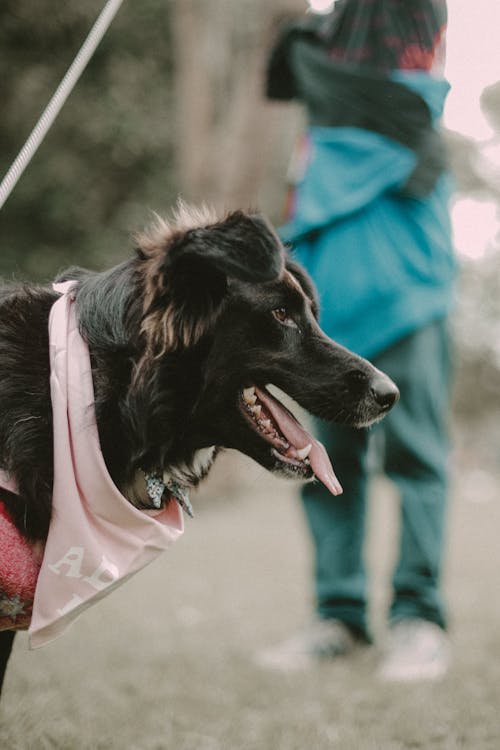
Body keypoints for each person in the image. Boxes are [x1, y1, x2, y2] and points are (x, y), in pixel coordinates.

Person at [261, 0, 456, 681]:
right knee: (325, 466)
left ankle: (419, 618)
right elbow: (282, 68)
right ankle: (339, 618)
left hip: (407, 300)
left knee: (418, 460)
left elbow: (286, 65)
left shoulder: (396, 101)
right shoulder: (324, 76)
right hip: (330, 311)